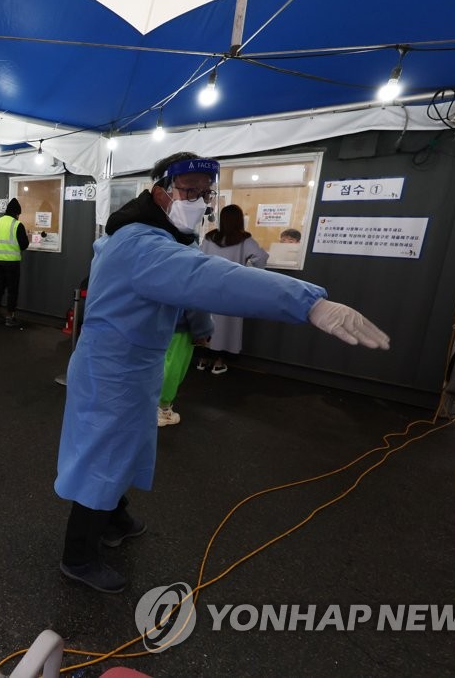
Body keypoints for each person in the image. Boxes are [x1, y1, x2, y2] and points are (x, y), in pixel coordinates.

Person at [55, 152, 389, 594]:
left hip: (130, 365)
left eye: (203, 192)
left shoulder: (151, 237)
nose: (198, 199)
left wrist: (202, 325)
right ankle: (78, 555)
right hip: (113, 370)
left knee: (127, 445)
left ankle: (112, 518)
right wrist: (307, 302)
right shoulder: (141, 244)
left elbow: (181, 284)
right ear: (160, 193)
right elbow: (209, 276)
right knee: (103, 455)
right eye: (188, 191)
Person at [198, 204, 270, 374]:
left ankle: (202, 360)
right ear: (240, 220)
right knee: (227, 327)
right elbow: (261, 257)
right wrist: (252, 271)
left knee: (207, 323)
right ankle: (219, 362)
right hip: (232, 289)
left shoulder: (210, 237)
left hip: (208, 288)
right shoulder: (244, 239)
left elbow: (198, 257)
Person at [157, 309, 212, 426]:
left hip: (156, 322)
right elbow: (196, 305)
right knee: (174, 367)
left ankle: (152, 404)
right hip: (180, 327)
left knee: (158, 363)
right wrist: (204, 331)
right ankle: (163, 409)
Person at [0, 198, 29, 327]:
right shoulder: (17, 225)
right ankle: (10, 317)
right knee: (12, 290)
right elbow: (24, 245)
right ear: (16, 213)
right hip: (12, 263)